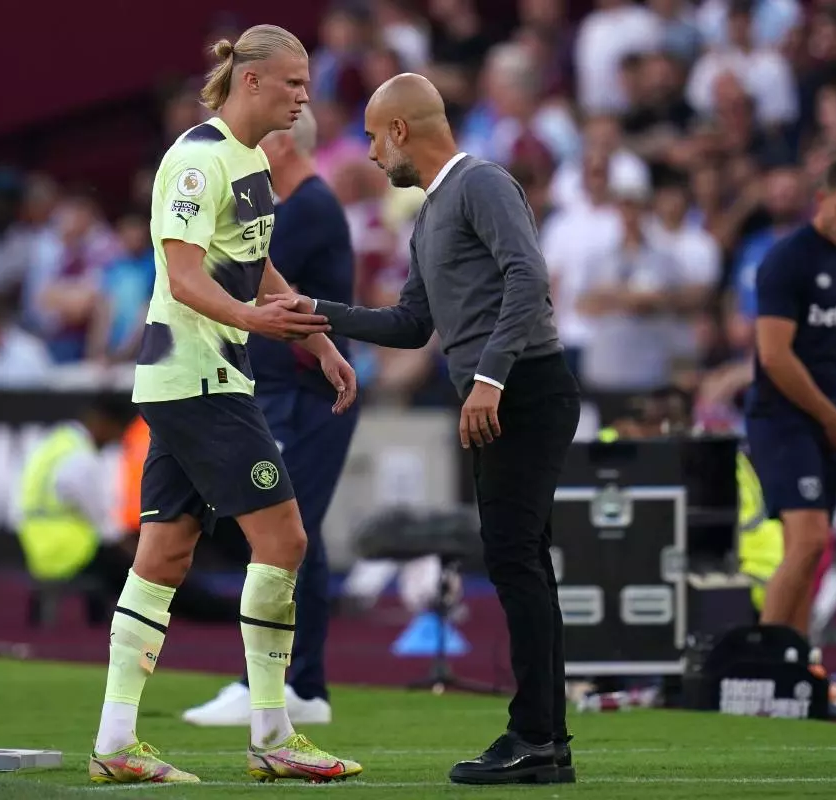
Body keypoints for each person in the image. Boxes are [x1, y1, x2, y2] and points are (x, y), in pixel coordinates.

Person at [268, 73, 580, 787]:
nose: (371, 154)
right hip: (502, 392)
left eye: (374, 138)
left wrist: (490, 378)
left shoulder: (482, 183)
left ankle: (535, 735)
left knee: (514, 559)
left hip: (523, 387)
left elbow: (528, 278)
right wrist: (315, 311)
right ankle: (546, 737)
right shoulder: (433, 210)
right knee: (520, 561)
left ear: (401, 130)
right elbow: (412, 325)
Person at [88, 25, 362, 786]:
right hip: (199, 378)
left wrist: (317, 341)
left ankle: (115, 741)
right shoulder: (196, 161)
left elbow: (254, 259)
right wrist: (256, 323)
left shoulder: (250, 161)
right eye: (293, 82)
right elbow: (181, 278)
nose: (304, 96)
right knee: (285, 540)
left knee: (164, 555)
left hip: (197, 380)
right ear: (252, 82)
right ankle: (272, 732)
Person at [181, 105, 357, 727]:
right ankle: (300, 682)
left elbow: (243, 272)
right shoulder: (305, 206)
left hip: (305, 397)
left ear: (279, 146)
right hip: (294, 392)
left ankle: (277, 682)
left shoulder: (306, 210)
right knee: (298, 534)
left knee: (281, 533)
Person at [747, 151, 836, 639]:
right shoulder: (787, 260)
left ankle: (799, 658)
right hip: (781, 418)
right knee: (808, 540)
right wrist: (832, 418)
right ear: (821, 198)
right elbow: (774, 356)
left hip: (825, 421)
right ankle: (766, 658)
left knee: (811, 550)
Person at [17, 396, 133, 597]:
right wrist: (134, 551)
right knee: (136, 575)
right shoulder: (81, 458)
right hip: (71, 552)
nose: (118, 440)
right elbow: (102, 522)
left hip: (37, 548)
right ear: (104, 422)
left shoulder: (55, 443)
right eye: (118, 432)